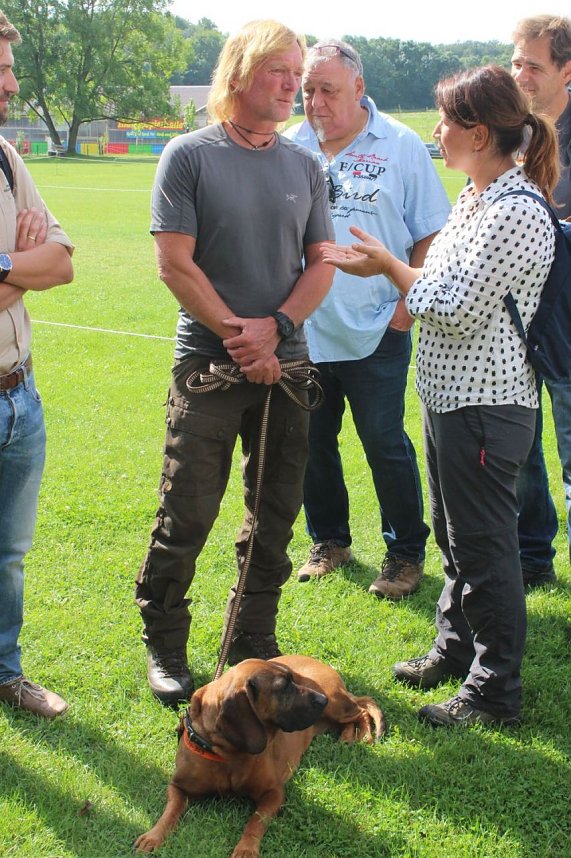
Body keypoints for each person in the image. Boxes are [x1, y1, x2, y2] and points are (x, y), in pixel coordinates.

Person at [322, 65, 559, 726]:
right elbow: (446, 278)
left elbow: (450, 306)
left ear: (479, 133)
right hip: (450, 398)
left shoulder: (515, 209)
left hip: (486, 408)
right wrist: (400, 267)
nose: (437, 132)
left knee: (485, 548)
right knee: (456, 538)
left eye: (447, 121)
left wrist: (391, 268)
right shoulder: (476, 197)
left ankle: (492, 690)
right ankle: (455, 650)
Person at [135, 20, 334, 706]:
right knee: (186, 509)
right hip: (210, 369)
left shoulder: (305, 165)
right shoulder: (189, 155)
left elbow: (319, 267)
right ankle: (165, 640)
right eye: (279, 70)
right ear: (241, 72)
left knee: (275, 513)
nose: (292, 85)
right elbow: (173, 263)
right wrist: (239, 336)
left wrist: (276, 330)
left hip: (289, 368)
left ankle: (253, 639)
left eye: (297, 74)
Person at [287, 40, 450, 598]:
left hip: (378, 326)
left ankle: (405, 552)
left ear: (359, 88)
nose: (315, 102)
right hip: (305, 330)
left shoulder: (401, 145)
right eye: (308, 90)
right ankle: (329, 540)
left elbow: (431, 234)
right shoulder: (292, 145)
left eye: (327, 90)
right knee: (312, 440)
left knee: (383, 443)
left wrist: (403, 314)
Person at [0, 10, 74, 719]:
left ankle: (4, 673)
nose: (12, 84)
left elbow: (62, 263)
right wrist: (24, 267)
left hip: (20, 396)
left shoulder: (5, 155)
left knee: (8, 557)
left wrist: (8, 268)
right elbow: (36, 267)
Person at [511, 15, 571, 587]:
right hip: (517, 329)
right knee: (522, 457)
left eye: (533, 63)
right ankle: (534, 560)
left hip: (570, 329)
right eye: (515, 61)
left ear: (566, 70)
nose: (520, 73)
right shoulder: (514, 135)